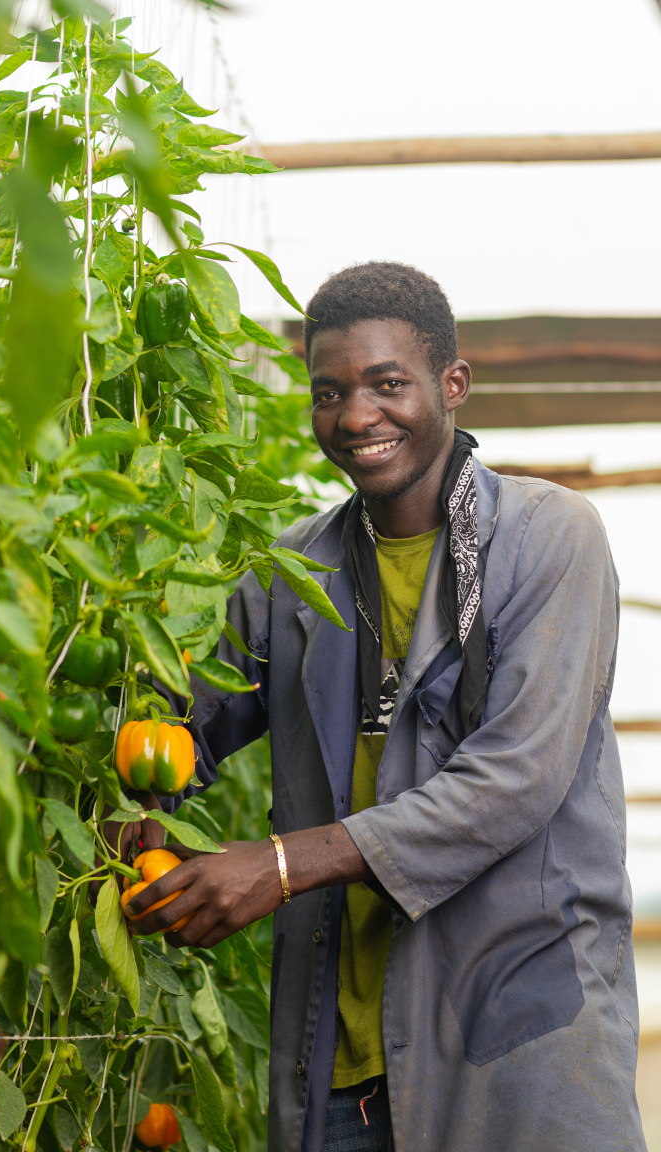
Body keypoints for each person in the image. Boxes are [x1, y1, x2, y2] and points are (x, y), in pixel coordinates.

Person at [118, 263, 645, 1152]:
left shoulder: (550, 539)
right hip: (342, 1061)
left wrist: (279, 866)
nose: (356, 416)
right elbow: (181, 719)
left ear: (453, 385)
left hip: (513, 1041)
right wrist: (143, 810)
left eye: (387, 383)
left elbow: (515, 779)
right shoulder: (293, 575)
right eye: (330, 391)